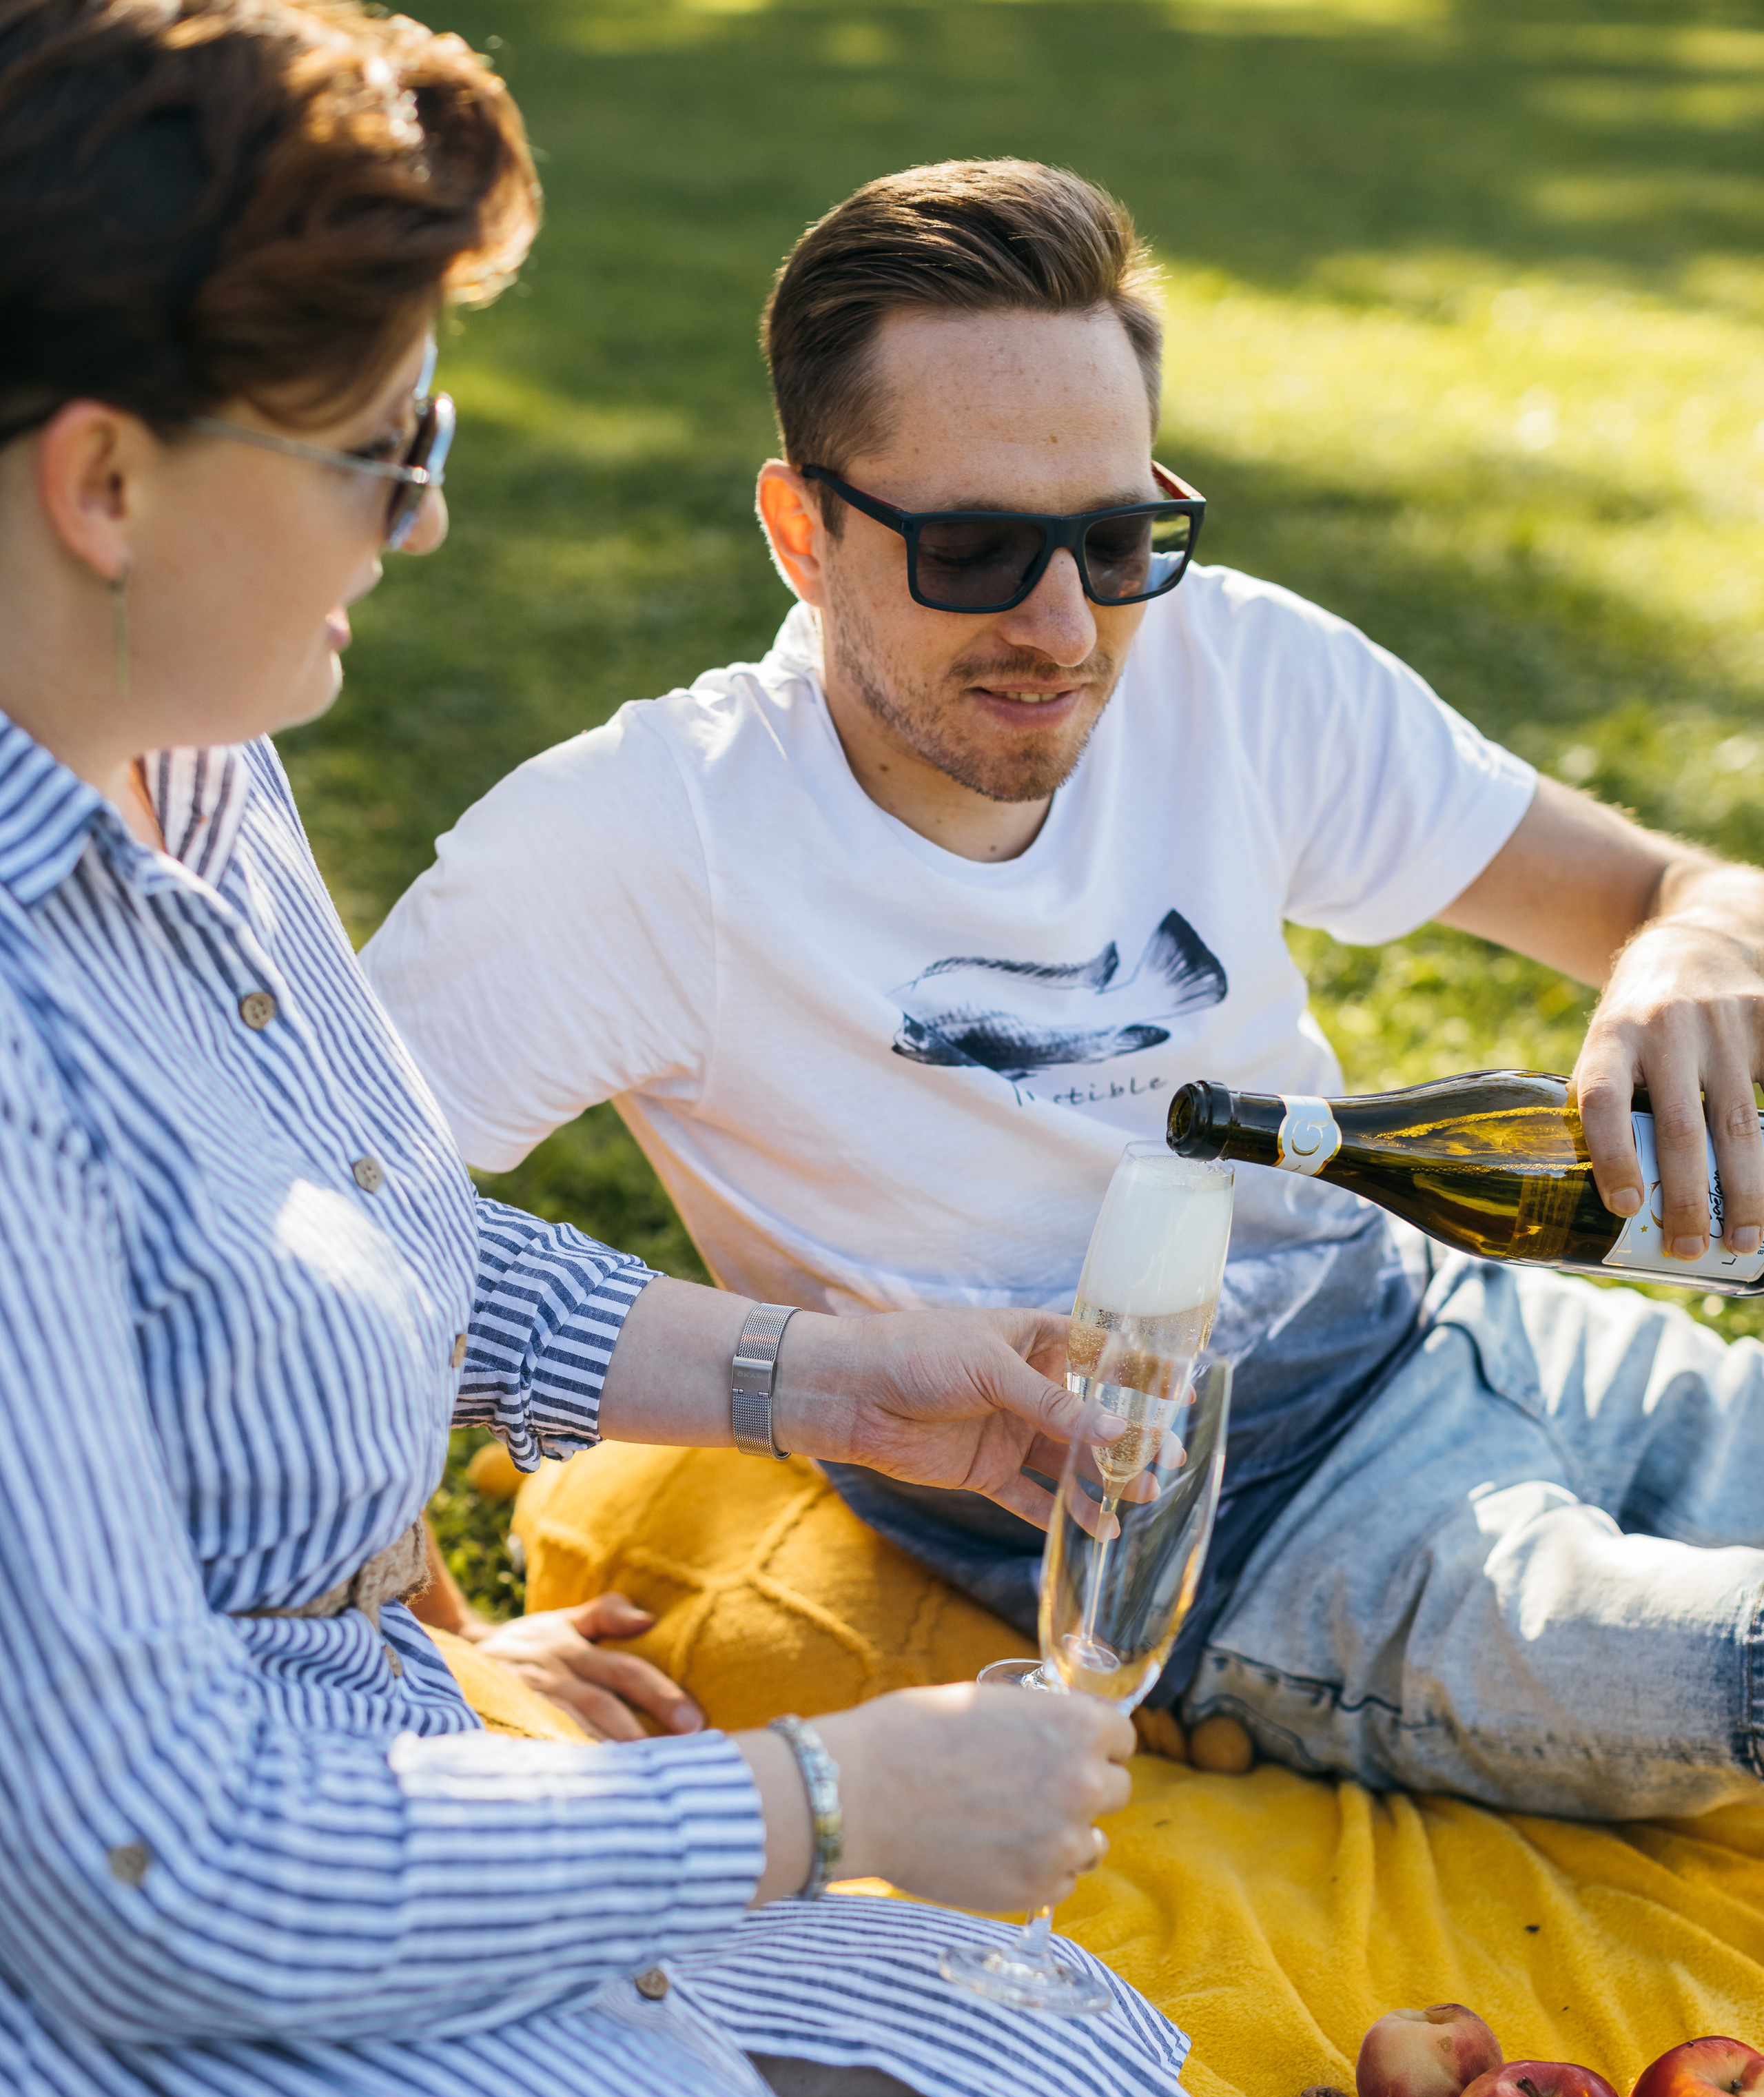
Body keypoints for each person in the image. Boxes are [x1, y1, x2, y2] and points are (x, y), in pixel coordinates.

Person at [0, 23, 1227, 2097]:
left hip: (364, 1765)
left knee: (1061, 2062)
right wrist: (816, 1799)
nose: (429, 528)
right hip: (103, 2007)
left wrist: (817, 1372)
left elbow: (392, 1231)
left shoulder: (186, 766)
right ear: (105, 483)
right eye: (382, 457)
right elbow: (147, 1879)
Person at [365, 156, 1764, 1823]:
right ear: (801, 532)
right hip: (1217, 1524)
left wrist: (1686, 952)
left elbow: (1677, 890)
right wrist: (429, 1643)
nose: (1063, 625)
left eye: (1114, 538)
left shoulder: (1230, 662)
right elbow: (293, 1247)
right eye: (969, 548)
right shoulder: (635, 845)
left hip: (1460, 1320)